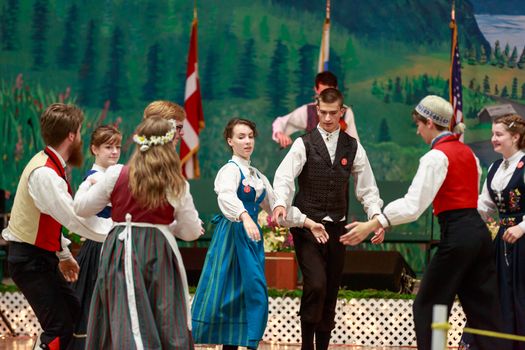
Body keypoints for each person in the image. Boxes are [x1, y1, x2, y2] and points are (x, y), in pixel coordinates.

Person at [341, 95, 510, 350]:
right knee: (483, 308)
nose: (418, 130)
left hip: (457, 236)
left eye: (419, 124)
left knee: (427, 305)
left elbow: (413, 206)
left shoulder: (435, 157)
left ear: (430, 122)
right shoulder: (468, 154)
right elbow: (469, 198)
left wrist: (374, 223)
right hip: (478, 234)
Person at [192, 118, 328, 350]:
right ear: (230, 141)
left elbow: (278, 210)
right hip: (231, 239)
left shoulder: (256, 176)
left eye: (250, 137)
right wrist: (244, 216)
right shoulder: (229, 170)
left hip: (250, 241)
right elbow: (225, 196)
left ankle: (245, 340)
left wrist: (307, 222)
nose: (247, 142)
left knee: (251, 291)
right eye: (241, 137)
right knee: (227, 293)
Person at [73, 116, 203, 349]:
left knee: (123, 311)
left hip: (121, 249)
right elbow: (192, 231)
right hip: (158, 250)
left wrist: (89, 184)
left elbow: (81, 207)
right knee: (163, 311)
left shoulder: (116, 174)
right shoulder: (176, 182)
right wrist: (165, 226)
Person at [272, 88, 384, 350]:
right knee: (316, 284)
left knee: (331, 288)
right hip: (308, 227)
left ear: (342, 112)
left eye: (334, 113)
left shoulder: (353, 146)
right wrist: (280, 203)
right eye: (323, 112)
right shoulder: (304, 143)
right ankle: (306, 346)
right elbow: (285, 178)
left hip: (337, 228)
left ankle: (322, 346)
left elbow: (368, 189)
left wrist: (376, 218)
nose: (328, 118)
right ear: (317, 109)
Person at [2, 103, 111, 349]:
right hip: (30, 262)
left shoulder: (49, 164)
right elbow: (72, 217)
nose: (81, 137)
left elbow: (53, 219)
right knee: (59, 327)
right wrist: (117, 232)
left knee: (72, 312)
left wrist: (62, 254)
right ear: (71, 135)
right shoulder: (45, 173)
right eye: (80, 132)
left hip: (40, 259)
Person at [69, 124, 122, 350]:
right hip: (99, 248)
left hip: (111, 245)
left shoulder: (112, 174)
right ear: (94, 149)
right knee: (97, 304)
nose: (114, 151)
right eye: (108, 146)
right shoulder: (94, 179)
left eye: (117, 146)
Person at [475, 114, 525, 349]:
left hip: (523, 241)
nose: (493, 138)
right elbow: (485, 206)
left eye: (499, 134)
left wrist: (522, 227)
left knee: (520, 294)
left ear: (515, 137)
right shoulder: (495, 167)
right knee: (499, 294)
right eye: (492, 134)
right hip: (503, 242)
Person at [272, 71, 359, 148]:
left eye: (330, 92)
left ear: (336, 89)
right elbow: (280, 122)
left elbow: (355, 145)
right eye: (323, 93)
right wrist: (280, 134)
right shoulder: (308, 111)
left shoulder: (346, 112)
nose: (327, 97)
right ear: (316, 90)